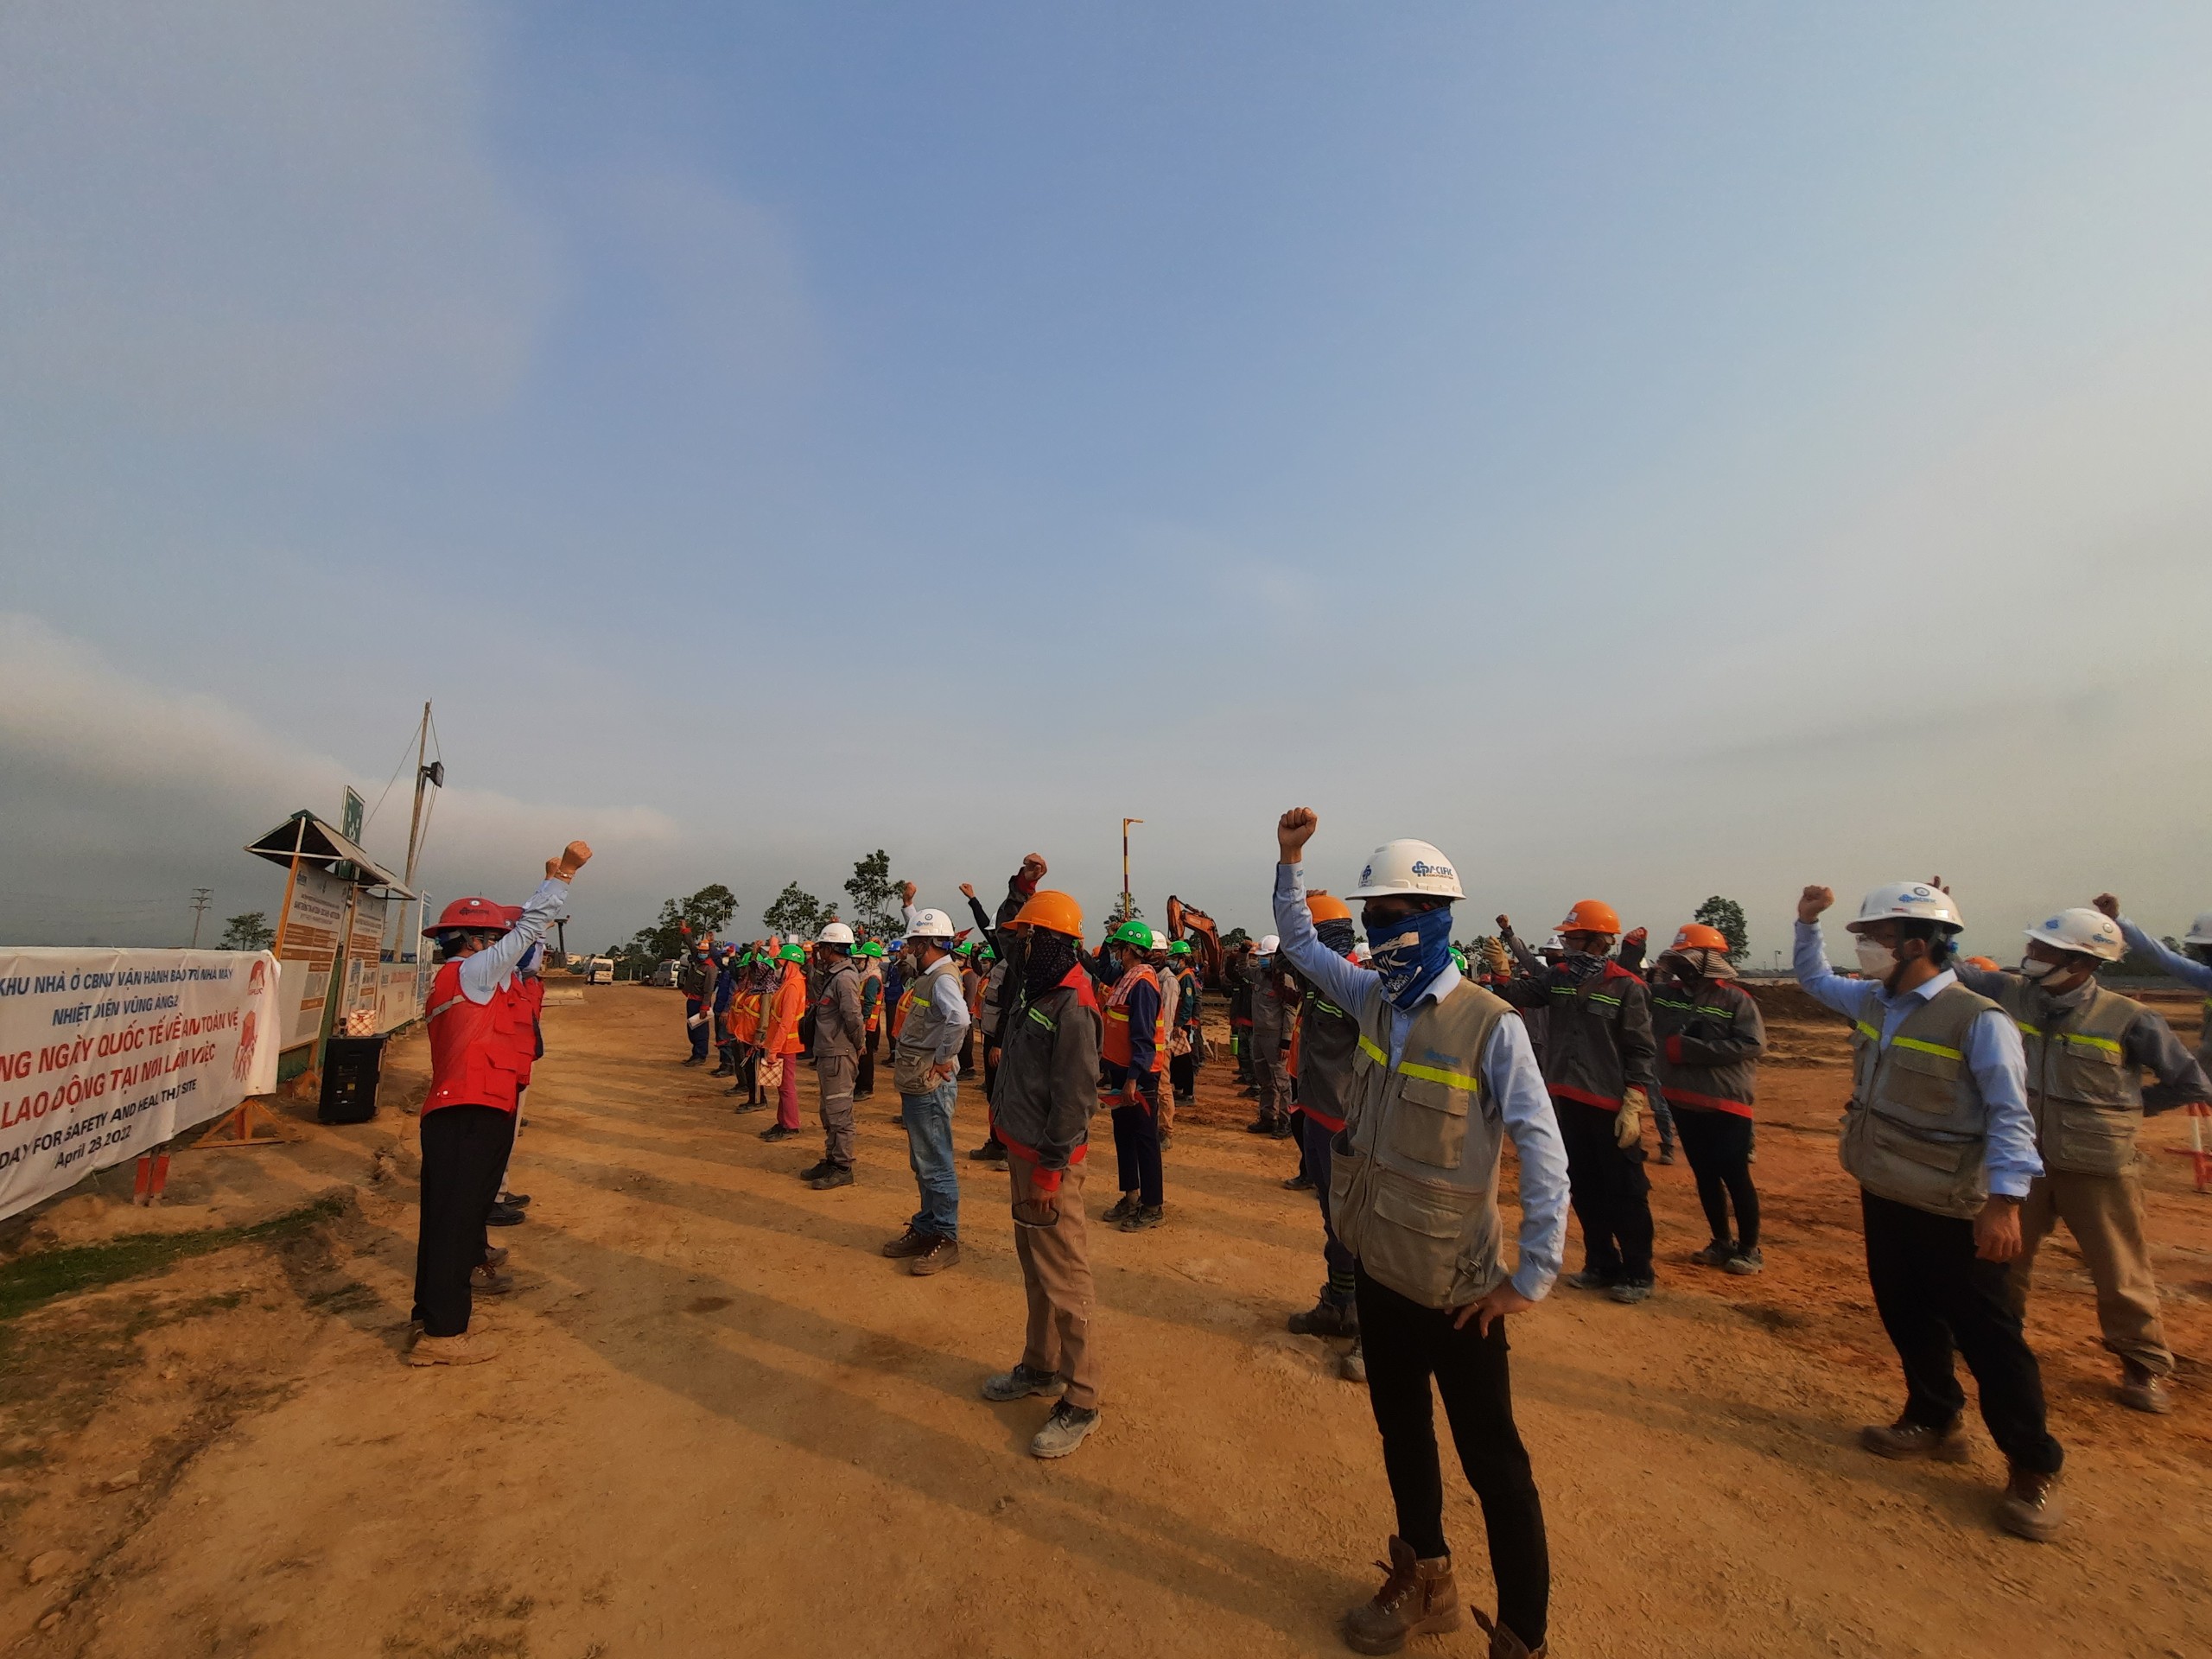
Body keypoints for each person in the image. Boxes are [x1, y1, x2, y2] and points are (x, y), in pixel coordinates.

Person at [1274, 810, 1567, 1659]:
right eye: (1373, 917)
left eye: (1396, 915)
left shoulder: (1491, 1025)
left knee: (1494, 1465)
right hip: (1380, 1267)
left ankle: (1522, 1636)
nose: (1380, 931)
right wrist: (1290, 862)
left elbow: (1543, 1152)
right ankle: (1425, 1579)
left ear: (1437, 918)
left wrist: (1529, 1278)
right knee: (1401, 1432)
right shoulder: (1372, 1000)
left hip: (1457, 1289)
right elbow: (1301, 945)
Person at [1795, 880, 2065, 1541]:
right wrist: (1807, 924)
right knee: (1905, 1313)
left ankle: (2032, 1464)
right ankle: (1934, 1417)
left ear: (1917, 945)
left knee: (1990, 1338)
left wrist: (2005, 1203)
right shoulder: (1872, 1001)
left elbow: (2010, 1116)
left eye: (1876, 937)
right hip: (1887, 1191)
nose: (1867, 948)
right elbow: (1813, 979)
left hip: (1954, 1205)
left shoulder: (1979, 1020)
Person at [1954, 903, 2210, 1414]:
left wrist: (2129, 1109)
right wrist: (1942, 928)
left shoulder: (2129, 1018)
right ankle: (1997, 1339)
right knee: (2002, 1256)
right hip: (2021, 1158)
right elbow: (1950, 972)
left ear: (2083, 962)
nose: (2030, 953)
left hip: (2098, 1164)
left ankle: (2141, 1363)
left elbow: (2191, 1083)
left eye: (2044, 949)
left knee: (2119, 1268)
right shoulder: (2009, 993)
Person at [409, 841, 591, 1367]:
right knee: (453, 1223)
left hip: (470, 1111)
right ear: (473, 941)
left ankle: (433, 1315)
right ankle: (443, 1335)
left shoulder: (471, 977)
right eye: (493, 938)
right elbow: (528, 930)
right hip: (466, 1114)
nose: (502, 944)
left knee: (454, 1220)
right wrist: (564, 877)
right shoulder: (473, 974)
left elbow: (527, 941)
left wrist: (546, 885)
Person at [980, 888, 1106, 1459]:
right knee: (1036, 1270)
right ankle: (1040, 1365)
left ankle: (1083, 1398)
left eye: (1028, 937)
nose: (1020, 946)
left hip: (1049, 1163)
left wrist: (1051, 1173)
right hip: (1022, 1150)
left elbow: (1076, 1101)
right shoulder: (1039, 988)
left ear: (1053, 942)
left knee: (1066, 1281)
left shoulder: (1073, 1005)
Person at [1499, 900, 1660, 1304]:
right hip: (1567, 1100)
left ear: (1597, 941)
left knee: (1625, 1189)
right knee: (1584, 1186)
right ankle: (1601, 1262)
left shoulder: (1627, 986)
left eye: (1573, 937)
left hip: (1610, 1105)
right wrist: (1502, 972)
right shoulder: (1558, 978)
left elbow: (1640, 1048)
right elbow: (1520, 993)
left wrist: (1634, 1100)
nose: (1567, 944)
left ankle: (1638, 1271)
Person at [1281, 887, 1369, 1382]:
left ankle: (1371, 1329)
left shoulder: (1360, 987)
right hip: (1318, 1115)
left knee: (1361, 1228)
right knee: (1334, 1222)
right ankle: (1339, 1302)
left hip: (1349, 1126)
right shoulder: (1317, 984)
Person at [1648, 924, 1766, 1273]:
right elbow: (1634, 993)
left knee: (1735, 1175)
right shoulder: (1667, 995)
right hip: (1683, 1101)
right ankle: (1721, 1242)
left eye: (1687, 961)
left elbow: (1752, 1045)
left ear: (1708, 961)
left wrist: (1688, 1049)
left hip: (1725, 1103)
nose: (1681, 968)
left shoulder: (1736, 1000)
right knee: (1705, 1175)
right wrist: (1631, 954)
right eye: (1678, 961)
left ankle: (1750, 1249)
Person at [881, 906, 971, 1274]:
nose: (909, 948)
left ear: (925, 944)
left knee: (935, 1162)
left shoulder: (943, 979)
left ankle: (946, 1236)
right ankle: (926, 1227)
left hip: (930, 1083)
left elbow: (960, 1019)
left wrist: (944, 1058)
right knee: (923, 1161)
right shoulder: (932, 974)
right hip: (918, 1079)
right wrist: (910, 907)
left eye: (914, 942)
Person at [1097, 918, 1169, 1231]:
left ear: (1129, 951)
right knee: (1124, 1136)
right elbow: (1101, 969)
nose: (1116, 954)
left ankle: (1152, 1206)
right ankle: (1131, 1196)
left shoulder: (1142, 985)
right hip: (1121, 1071)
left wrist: (1133, 1079)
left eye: (1118, 948)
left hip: (1139, 1076)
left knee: (1145, 1140)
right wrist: (1108, 936)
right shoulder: (1125, 979)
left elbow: (1143, 1037)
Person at [798, 922, 866, 1191]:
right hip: (829, 1052)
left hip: (839, 1053)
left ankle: (843, 1166)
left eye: (822, 948)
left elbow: (853, 1016)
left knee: (839, 1111)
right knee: (829, 1111)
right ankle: (832, 1159)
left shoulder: (844, 978)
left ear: (831, 948)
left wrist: (859, 1045)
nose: (819, 952)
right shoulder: (833, 975)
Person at [758, 942, 809, 1144]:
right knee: (782, 1086)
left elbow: (786, 1022)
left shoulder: (793, 986)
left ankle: (791, 1125)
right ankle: (783, 1122)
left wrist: (774, 1049)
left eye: (780, 963)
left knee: (786, 1086)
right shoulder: (791, 983)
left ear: (790, 964)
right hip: (782, 1043)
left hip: (786, 1045)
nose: (777, 967)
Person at [1248, 935, 1294, 1136]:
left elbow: (1290, 1011)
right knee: (1264, 1079)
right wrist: (1243, 953)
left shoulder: (1284, 980)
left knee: (1282, 1082)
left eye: (1265, 957)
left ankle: (1286, 1121)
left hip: (1275, 1038)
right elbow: (1242, 970)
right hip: (1259, 1035)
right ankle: (1268, 1117)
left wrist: (1286, 1042)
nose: (1262, 960)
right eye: (1261, 957)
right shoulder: (1259, 975)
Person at [1166, 938, 1202, 1107]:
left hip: (1182, 1023)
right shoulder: (1180, 975)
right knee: (1176, 1058)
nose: (1170, 961)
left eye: (1173, 958)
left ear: (1181, 959)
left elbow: (1188, 1002)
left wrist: (1180, 1024)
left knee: (1184, 1059)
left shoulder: (1186, 977)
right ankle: (1180, 1088)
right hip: (1177, 1021)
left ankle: (1188, 1093)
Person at [853, 940, 886, 1100]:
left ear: (869, 960)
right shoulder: (867, 976)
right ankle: (861, 1086)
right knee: (863, 1057)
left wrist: (863, 1022)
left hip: (868, 1024)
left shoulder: (872, 978)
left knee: (866, 1058)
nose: (859, 963)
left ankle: (865, 1088)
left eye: (862, 959)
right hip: (867, 1023)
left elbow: (869, 1002)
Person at [677, 938, 714, 1065]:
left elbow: (709, 989)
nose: (701, 953)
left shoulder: (710, 968)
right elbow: (691, 945)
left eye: (704, 951)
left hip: (701, 1002)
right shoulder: (698, 961)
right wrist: (685, 932)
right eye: (700, 951)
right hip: (692, 1000)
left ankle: (700, 1055)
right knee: (692, 1029)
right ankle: (695, 1054)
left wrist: (705, 1006)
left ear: (709, 952)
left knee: (700, 1031)